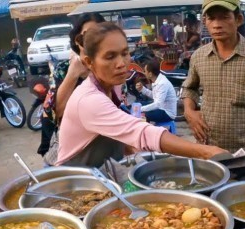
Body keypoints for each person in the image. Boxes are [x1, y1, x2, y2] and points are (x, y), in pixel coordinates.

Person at [56, 22, 226, 167]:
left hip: (100, 172)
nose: (121, 64)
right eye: (109, 57)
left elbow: (117, 130)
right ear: (89, 62)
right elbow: (141, 132)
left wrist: (130, 149)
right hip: (74, 183)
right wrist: (205, 152)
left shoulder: (113, 87)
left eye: (124, 53)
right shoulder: (89, 100)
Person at [181, 0, 245, 165]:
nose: (217, 24)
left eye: (225, 17)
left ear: (238, 19)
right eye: (211, 18)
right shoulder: (199, 56)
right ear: (205, 22)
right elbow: (190, 88)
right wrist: (189, 112)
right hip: (209, 148)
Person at [39, 13, 106, 167]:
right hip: (67, 154)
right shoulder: (64, 69)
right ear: (77, 40)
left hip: (97, 151)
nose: (93, 40)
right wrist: (73, 74)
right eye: (87, 35)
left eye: (99, 34)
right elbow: (56, 113)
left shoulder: (107, 68)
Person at [135, 59, 178, 124]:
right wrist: (142, 89)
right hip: (161, 108)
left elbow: (158, 104)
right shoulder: (157, 80)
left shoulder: (162, 83)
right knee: (138, 104)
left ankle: (145, 131)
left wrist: (140, 109)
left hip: (167, 113)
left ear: (150, 74)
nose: (144, 73)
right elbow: (155, 96)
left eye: (145, 71)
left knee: (143, 114)